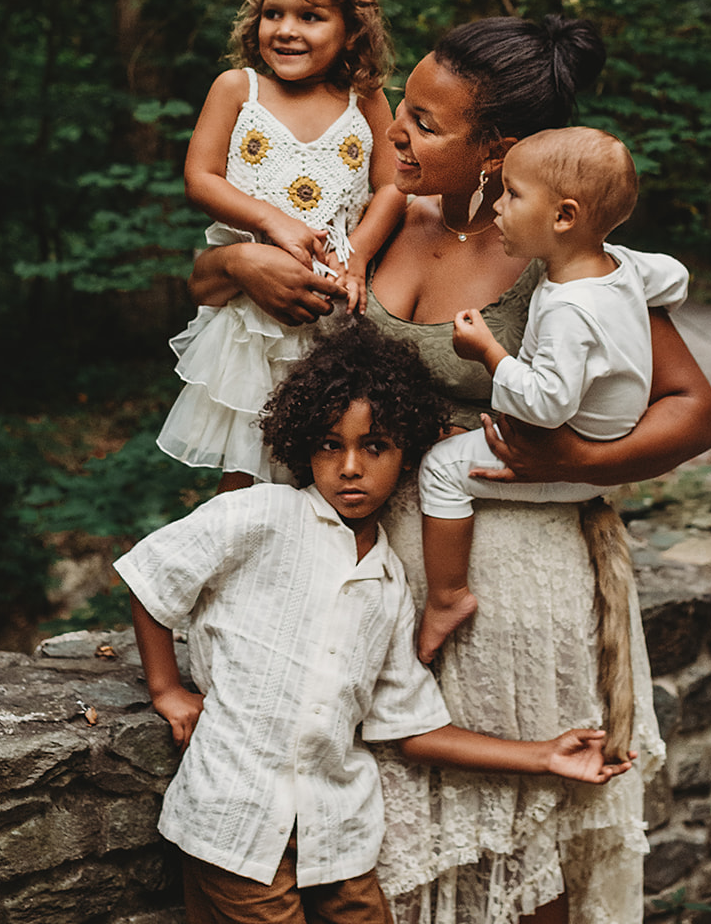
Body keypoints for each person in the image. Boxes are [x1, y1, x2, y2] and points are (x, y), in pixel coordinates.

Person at [185, 11, 711, 924]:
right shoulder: (388, 215)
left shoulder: (562, 252)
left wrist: (582, 456)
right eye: (407, 111)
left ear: (496, 150)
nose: (393, 127)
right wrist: (237, 256)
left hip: (510, 588)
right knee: (389, 854)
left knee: (517, 858)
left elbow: (694, 410)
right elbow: (210, 296)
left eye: (426, 124)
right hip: (375, 576)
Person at [116, 321, 634, 924]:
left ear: (408, 452)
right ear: (303, 445)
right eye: (331, 444)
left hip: (336, 838)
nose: (350, 466)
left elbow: (410, 728)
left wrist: (545, 756)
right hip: (234, 817)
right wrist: (167, 690)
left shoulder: (390, 585)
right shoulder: (260, 515)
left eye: (375, 446)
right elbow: (150, 573)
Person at [416, 126, 688, 690]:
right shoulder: (619, 266)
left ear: (564, 217)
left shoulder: (570, 309)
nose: (498, 206)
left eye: (512, 195)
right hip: (605, 436)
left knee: (440, 470)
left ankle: (447, 598)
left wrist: (488, 352)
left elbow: (544, 404)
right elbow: (677, 278)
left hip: (566, 457)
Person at [158, 0, 407, 481]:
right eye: (274, 14)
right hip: (252, 325)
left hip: (338, 313)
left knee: (332, 464)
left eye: (310, 17)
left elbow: (393, 186)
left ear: (350, 31)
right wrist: (272, 218)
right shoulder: (237, 89)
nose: (287, 30)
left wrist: (360, 252)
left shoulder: (363, 100)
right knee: (245, 471)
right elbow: (200, 178)